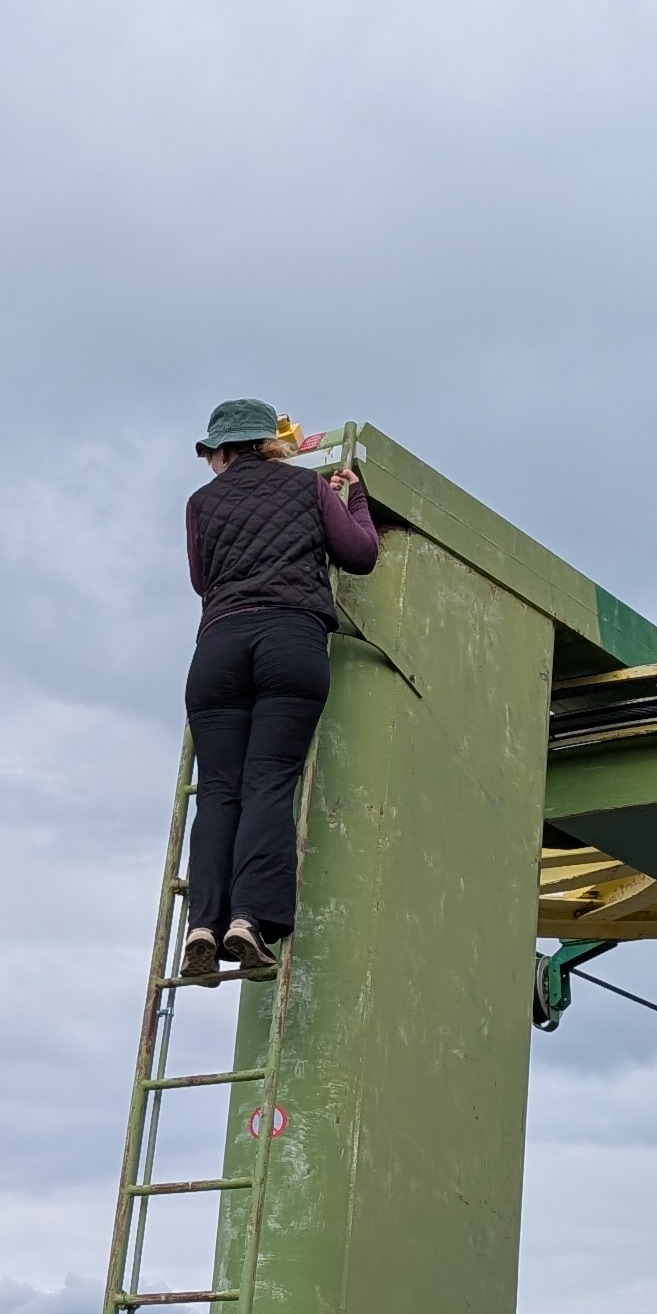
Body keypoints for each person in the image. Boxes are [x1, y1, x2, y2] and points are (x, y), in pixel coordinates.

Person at [179, 397, 379, 983]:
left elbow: (201, 580)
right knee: (267, 783)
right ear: (269, 443)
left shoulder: (200, 503)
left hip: (219, 648)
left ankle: (201, 926)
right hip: (289, 640)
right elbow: (360, 555)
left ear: (222, 450)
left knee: (218, 791)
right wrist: (354, 500)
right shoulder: (307, 488)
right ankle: (249, 920)